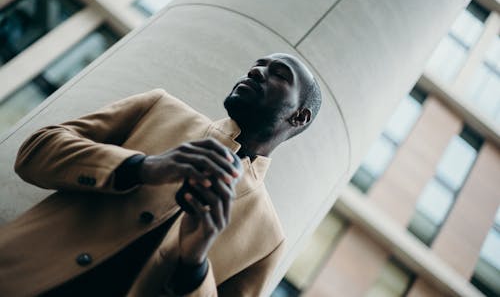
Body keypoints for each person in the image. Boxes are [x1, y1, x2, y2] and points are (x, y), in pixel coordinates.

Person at [0, 53, 322, 296]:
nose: (256, 70)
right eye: (258, 64)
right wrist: (142, 167)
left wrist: (194, 264)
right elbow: (35, 151)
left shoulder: (268, 240)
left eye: (278, 74)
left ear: (300, 116)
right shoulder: (158, 107)